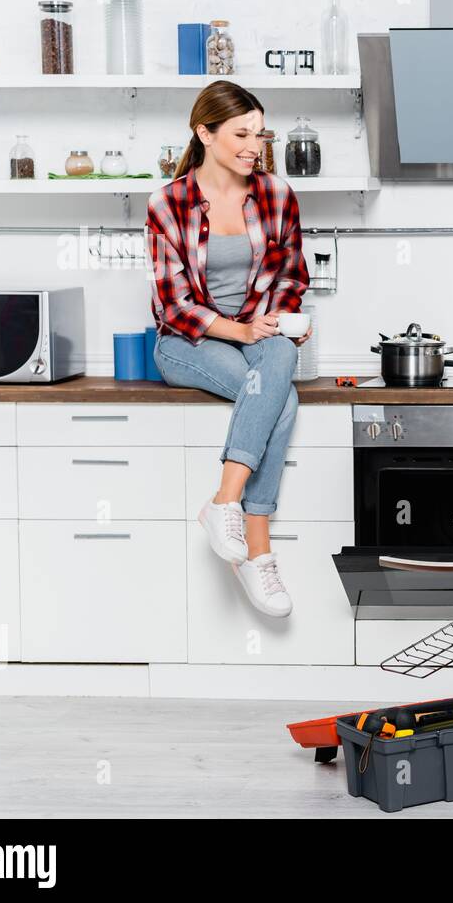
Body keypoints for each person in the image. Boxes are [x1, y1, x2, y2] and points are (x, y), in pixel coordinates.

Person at [146, 80, 310, 618]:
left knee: (281, 356)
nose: (253, 146)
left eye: (259, 135)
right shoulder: (168, 203)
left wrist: (283, 319)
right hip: (187, 343)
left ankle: (224, 504)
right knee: (279, 399)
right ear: (204, 133)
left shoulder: (278, 195)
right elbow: (173, 303)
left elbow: (291, 276)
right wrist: (240, 331)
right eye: (241, 134)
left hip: (259, 339)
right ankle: (258, 550)